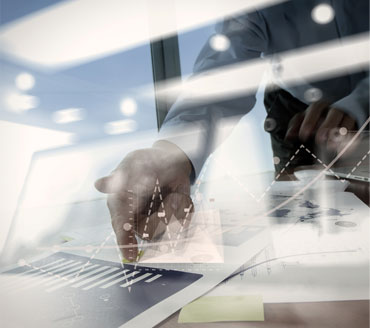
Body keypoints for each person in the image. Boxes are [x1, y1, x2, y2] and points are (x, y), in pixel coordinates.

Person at [95, 0, 369, 261]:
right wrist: (173, 151)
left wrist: (359, 105)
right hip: (296, 111)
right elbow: (223, 74)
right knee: (301, 218)